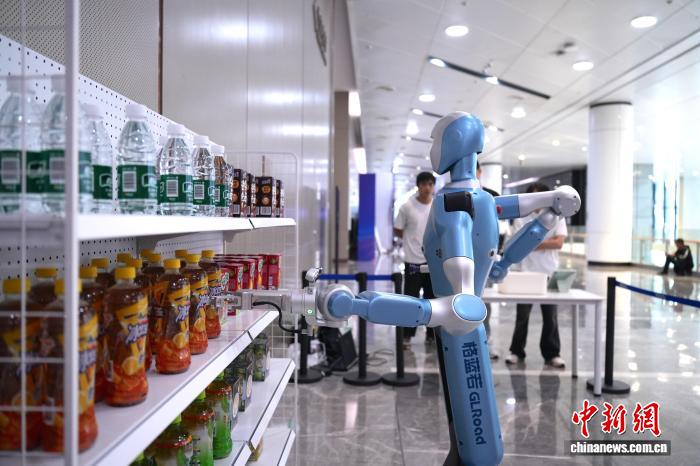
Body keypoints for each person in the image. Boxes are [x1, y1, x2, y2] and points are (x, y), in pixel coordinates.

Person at [505, 182, 567, 369]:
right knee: (522, 316)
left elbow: (558, 243)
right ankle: (516, 351)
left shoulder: (557, 216)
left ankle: (552, 354)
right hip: (527, 273)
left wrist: (533, 241)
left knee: (551, 317)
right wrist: (545, 241)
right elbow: (518, 244)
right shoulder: (522, 218)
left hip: (549, 272)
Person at [394, 171, 435, 346]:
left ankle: (431, 335)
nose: (427, 188)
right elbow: (398, 228)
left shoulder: (436, 207)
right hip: (412, 260)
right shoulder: (407, 207)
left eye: (430, 184)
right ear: (418, 186)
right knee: (411, 299)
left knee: (432, 299)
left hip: (432, 261)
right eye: (424, 184)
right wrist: (410, 240)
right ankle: (407, 336)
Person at [477, 162, 501, 360]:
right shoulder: (451, 196)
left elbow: (498, 228)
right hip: (462, 256)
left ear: (479, 171)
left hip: (486, 257)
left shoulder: (492, 196)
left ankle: (485, 339)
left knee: (485, 300)